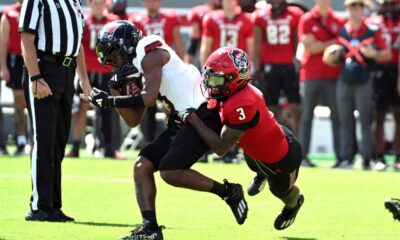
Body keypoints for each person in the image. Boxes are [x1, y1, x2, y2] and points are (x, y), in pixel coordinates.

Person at [89, 20, 248, 239]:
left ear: (125, 43)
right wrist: (114, 90)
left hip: (202, 112)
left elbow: (149, 98)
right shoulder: (136, 64)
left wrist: (109, 102)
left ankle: (229, 192)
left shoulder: (148, 48)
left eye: (114, 55)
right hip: (182, 117)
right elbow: (134, 120)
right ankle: (150, 228)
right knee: (141, 166)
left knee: (170, 171)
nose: (114, 63)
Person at [182, 47, 304, 230]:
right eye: (208, 77)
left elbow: (221, 148)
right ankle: (261, 173)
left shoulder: (242, 104)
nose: (210, 84)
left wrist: (192, 118)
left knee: (282, 192)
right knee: (251, 161)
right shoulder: (236, 90)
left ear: (233, 79)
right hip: (264, 143)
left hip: (280, 159)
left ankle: (293, 206)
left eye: (215, 79)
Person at [19, 0, 92, 221]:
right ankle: (39, 206)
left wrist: (84, 79)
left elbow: (77, 43)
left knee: (59, 141)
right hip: (45, 69)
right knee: (44, 140)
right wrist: (35, 77)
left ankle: (53, 205)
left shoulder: (74, 3)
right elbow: (27, 38)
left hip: (67, 71)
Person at [324, 0, 390, 170]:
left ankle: (367, 158)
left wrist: (374, 53)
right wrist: (330, 57)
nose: (355, 12)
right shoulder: (343, 31)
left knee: (365, 120)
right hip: (345, 78)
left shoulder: (371, 31)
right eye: (352, 8)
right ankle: (346, 158)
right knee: (345, 119)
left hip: (364, 78)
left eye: (358, 8)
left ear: (363, 10)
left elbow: (387, 53)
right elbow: (330, 58)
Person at [67, 0, 122, 159]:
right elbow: (77, 47)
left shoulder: (114, 21)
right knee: (80, 107)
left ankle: (108, 147)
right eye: (95, 2)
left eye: (101, 2)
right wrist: (78, 73)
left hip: (106, 72)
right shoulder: (83, 20)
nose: (98, 5)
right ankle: (76, 145)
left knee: (107, 108)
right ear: (89, 3)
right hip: (87, 71)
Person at [298, 0, 345, 167]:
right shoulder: (307, 19)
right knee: (306, 117)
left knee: (337, 117)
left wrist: (322, 45)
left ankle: (341, 157)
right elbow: (310, 47)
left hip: (333, 75)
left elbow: (342, 47)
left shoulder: (339, 20)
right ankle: (302, 156)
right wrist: (331, 43)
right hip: (311, 74)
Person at [130, 0, 185, 145]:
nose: (152, 3)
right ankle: (148, 142)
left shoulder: (170, 18)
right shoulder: (136, 20)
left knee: (171, 106)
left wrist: (181, 66)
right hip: (145, 70)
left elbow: (178, 44)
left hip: (166, 70)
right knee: (147, 106)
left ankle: (174, 139)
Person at [251, 0, 303, 136]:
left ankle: (296, 140)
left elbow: (298, 43)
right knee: (271, 107)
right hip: (269, 67)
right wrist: (256, 70)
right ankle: (275, 138)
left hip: (289, 65)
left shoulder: (295, 14)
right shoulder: (260, 15)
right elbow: (256, 47)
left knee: (295, 107)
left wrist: (299, 64)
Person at [369, 0, 400, 171]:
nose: (387, 7)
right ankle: (378, 156)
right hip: (380, 71)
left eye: (390, 4)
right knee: (378, 115)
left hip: (396, 69)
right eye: (385, 4)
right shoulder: (374, 22)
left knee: (398, 115)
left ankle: (398, 156)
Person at [0, 0, 27, 155]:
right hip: (15, 60)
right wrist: (3, 66)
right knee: (19, 101)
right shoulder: (9, 14)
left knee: (28, 102)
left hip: (33, 58)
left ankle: (26, 139)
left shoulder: (36, 10)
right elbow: (3, 42)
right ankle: (21, 140)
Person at [199, 0, 254, 66]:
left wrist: (250, 68)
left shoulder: (248, 19)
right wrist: (205, 67)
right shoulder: (211, 19)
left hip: (238, 65)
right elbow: (205, 47)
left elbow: (251, 49)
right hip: (217, 64)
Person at [184, 0, 221, 64]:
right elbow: (194, 42)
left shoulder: (238, 13)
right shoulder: (200, 13)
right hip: (208, 58)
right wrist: (187, 64)